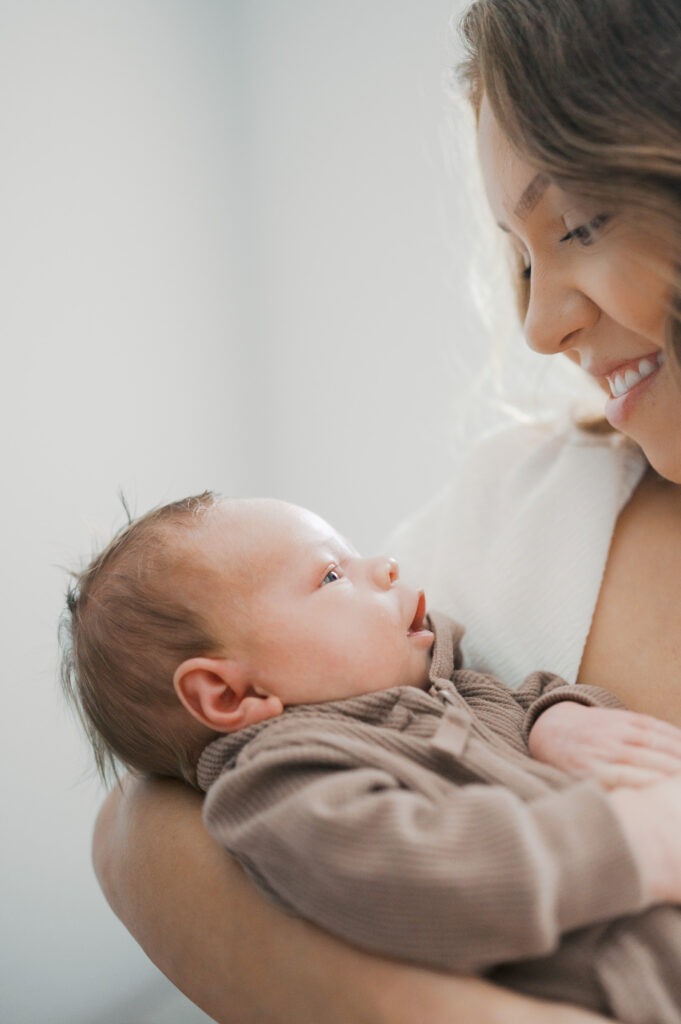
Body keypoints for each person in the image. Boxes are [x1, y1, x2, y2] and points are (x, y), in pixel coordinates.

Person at [91, 2, 681, 1022]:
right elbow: (138, 826)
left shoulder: (412, 672)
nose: (538, 325)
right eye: (523, 256)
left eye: (576, 224)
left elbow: (507, 704)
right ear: (230, 695)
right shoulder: (521, 512)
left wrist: (557, 723)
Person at [65, 492, 681, 1021]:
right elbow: (424, 881)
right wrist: (632, 840)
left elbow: (526, 697)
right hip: (627, 988)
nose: (385, 567)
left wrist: (558, 717)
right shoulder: (285, 783)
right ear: (232, 693)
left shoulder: (450, 687)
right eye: (332, 576)